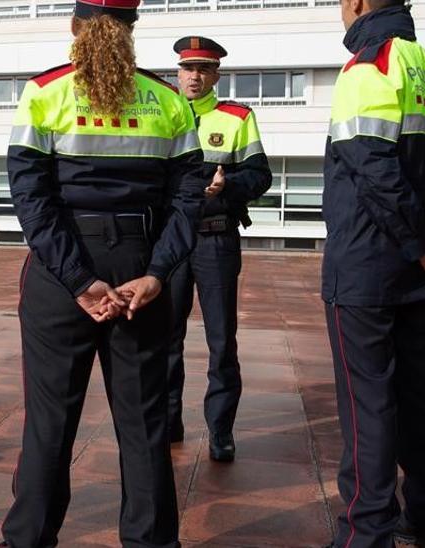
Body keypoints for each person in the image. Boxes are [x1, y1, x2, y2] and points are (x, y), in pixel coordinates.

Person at [0, 0, 207, 544]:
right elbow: (187, 200)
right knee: (144, 422)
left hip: (61, 270)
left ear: (75, 27)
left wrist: (77, 280)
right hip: (141, 267)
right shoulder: (168, 100)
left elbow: (31, 199)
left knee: (49, 420)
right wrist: (157, 273)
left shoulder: (44, 92)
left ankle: (28, 539)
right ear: (131, 30)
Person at [321, 1, 425, 547]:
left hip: (366, 269)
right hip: (418, 270)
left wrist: (419, 246)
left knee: (368, 407)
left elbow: (374, 172)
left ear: (358, 4)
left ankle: (366, 534)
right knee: (421, 398)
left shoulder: (367, 69)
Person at [165, 36, 272, 462]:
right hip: (170, 242)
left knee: (221, 341)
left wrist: (229, 186)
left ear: (216, 76)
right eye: (188, 68)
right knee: (164, 338)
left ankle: (221, 430)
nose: (195, 76)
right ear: (178, 73)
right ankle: (168, 421)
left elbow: (260, 176)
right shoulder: (161, 113)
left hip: (216, 238)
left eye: (204, 69)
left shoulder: (237, 118)